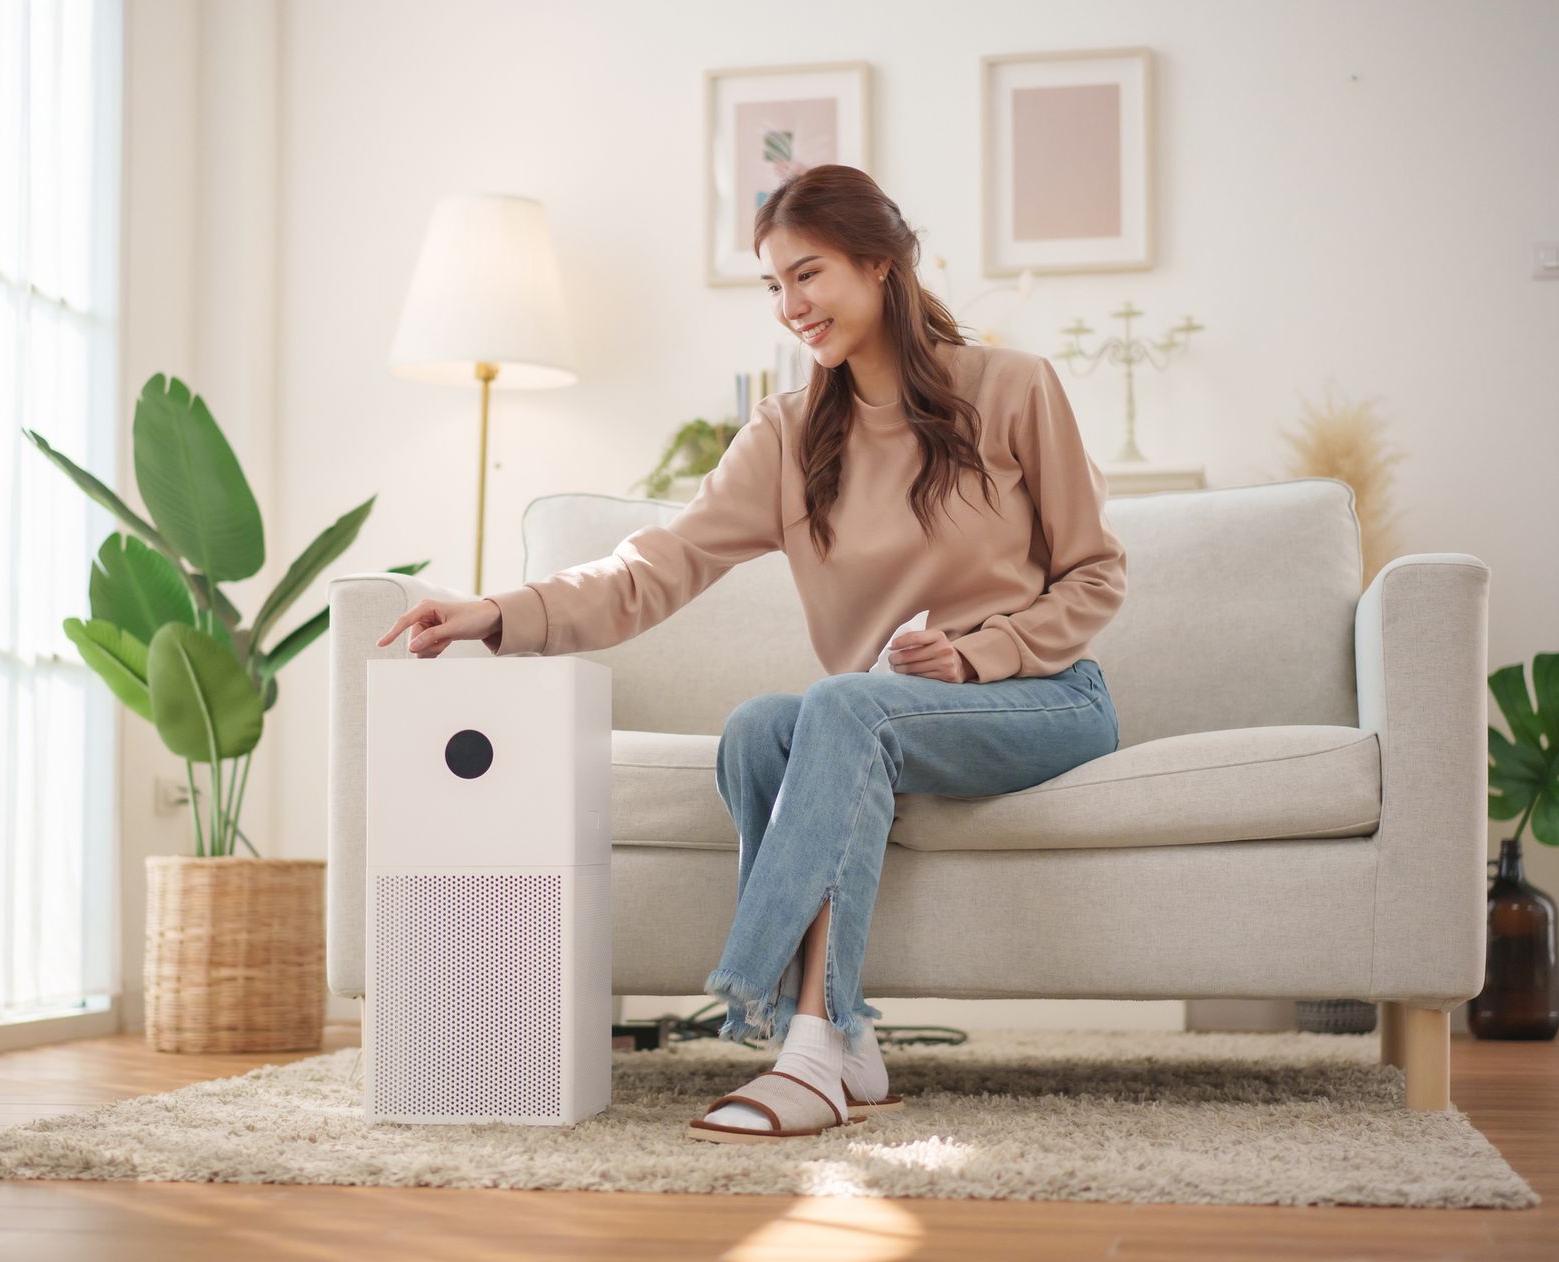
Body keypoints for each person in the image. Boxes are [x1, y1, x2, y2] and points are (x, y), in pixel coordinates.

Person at [375, 163, 1126, 1143]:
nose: (790, 306)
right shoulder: (787, 436)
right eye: (773, 285)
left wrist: (984, 653)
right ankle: (849, 1036)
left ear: (880, 265)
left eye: (807, 275)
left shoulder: (1015, 389)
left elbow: (1097, 575)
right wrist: (497, 612)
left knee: (843, 705)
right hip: (881, 716)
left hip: (1046, 700)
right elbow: (652, 566)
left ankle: (799, 1045)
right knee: (759, 728)